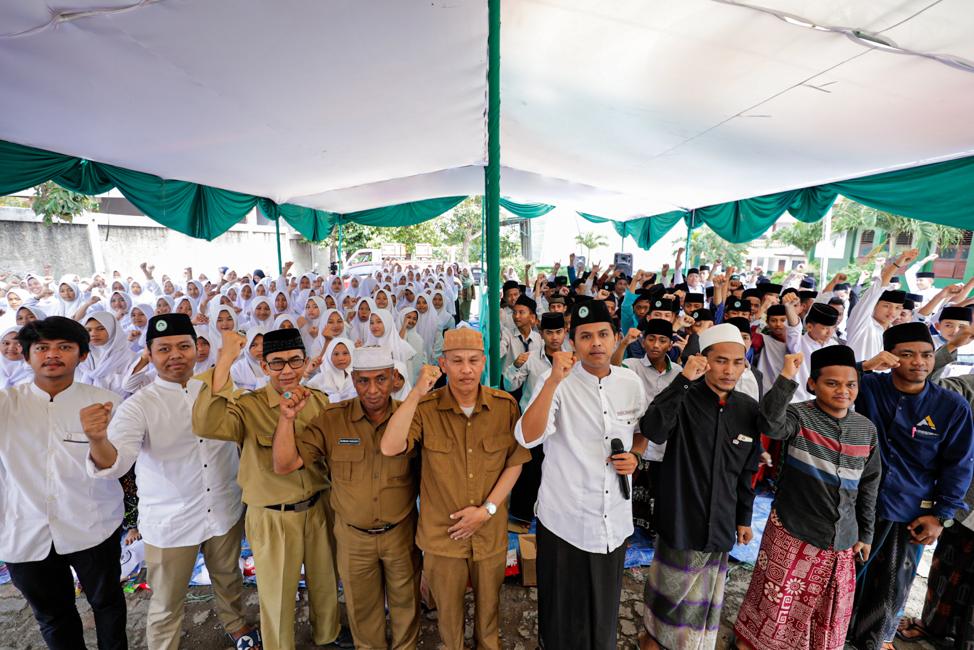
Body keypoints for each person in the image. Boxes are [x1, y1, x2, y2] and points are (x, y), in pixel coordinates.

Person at [84, 313, 259, 650]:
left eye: (183, 346)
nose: (175, 355)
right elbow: (116, 461)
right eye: (164, 348)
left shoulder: (218, 388)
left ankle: (236, 625)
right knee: (167, 601)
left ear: (196, 349)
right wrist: (96, 439)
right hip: (171, 522)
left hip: (223, 510)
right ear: (149, 353)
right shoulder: (139, 406)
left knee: (229, 580)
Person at [193, 328, 352, 650]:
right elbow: (206, 423)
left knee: (324, 581)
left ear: (306, 362)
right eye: (277, 363)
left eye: (295, 361)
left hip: (318, 507)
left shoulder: (317, 402)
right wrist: (225, 358)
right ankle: (280, 645)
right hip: (272, 515)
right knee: (277, 591)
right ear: (264, 367)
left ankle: (328, 634)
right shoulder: (248, 406)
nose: (287, 371)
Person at [380, 328, 530, 650]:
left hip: (488, 535)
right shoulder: (425, 408)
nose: (466, 369)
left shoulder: (504, 407)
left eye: (473, 361)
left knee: (489, 616)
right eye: (457, 361)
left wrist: (486, 511)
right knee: (449, 619)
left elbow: (514, 463)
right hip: (442, 538)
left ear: (484, 362)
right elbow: (391, 447)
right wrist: (418, 391)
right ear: (442, 364)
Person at [516, 300, 650, 649]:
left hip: (613, 522)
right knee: (561, 619)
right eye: (586, 336)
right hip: (565, 521)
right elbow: (528, 436)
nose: (596, 343)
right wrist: (552, 383)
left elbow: (640, 430)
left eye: (603, 335)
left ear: (616, 337)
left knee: (603, 615)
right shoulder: (556, 380)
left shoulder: (629, 382)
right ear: (572, 342)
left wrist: (635, 455)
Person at [272, 346, 421, 649]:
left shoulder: (411, 417)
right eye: (364, 381)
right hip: (354, 539)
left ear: (394, 378)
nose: (373, 390)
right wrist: (286, 419)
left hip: (400, 533)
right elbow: (284, 464)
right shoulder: (332, 420)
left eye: (381, 379)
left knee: (406, 605)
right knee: (363, 612)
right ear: (353, 381)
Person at [734, 346, 881, 650]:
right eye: (832, 383)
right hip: (793, 530)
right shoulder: (798, 416)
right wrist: (787, 376)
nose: (843, 391)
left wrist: (865, 533)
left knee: (827, 612)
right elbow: (770, 424)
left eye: (850, 384)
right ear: (812, 384)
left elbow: (869, 485)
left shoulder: (866, 430)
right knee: (774, 606)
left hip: (841, 540)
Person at [0, 317, 127, 649]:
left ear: (82, 355)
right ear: (26, 356)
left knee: (108, 605)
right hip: (25, 531)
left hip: (93, 525)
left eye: (65, 347)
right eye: (42, 348)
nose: (52, 355)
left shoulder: (105, 402)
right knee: (54, 617)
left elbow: (115, 466)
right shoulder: (6, 405)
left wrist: (97, 437)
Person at [848, 322, 974, 649]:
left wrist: (941, 517)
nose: (919, 362)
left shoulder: (951, 406)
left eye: (927, 355)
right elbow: (820, 375)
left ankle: (873, 642)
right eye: (908, 354)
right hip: (854, 504)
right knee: (844, 579)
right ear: (891, 357)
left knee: (890, 587)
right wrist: (866, 365)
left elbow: (958, 466)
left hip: (910, 513)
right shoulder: (867, 387)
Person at [638, 323, 762, 650]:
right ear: (704, 360)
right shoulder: (685, 397)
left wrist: (743, 518)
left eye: (738, 362)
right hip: (680, 516)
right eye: (721, 361)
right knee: (669, 597)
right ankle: (653, 640)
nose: (729, 370)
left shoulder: (748, 409)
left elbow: (747, 469)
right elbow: (653, 428)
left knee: (704, 602)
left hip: (719, 523)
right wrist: (681, 381)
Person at [503, 311, 567, 524]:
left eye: (559, 332)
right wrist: (516, 365)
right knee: (529, 471)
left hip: (561, 425)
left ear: (565, 332)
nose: (555, 337)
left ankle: (556, 518)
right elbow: (510, 385)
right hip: (534, 424)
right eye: (549, 332)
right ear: (542, 333)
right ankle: (521, 516)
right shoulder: (530, 359)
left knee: (559, 472)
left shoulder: (574, 360)